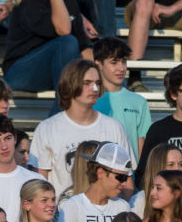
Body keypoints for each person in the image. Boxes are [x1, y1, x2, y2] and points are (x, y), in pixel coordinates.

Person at [34, 60, 132, 197]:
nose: (95, 89)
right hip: (62, 215)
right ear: (71, 84)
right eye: (87, 83)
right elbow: (39, 182)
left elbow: (127, 181)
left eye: (97, 83)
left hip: (107, 215)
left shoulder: (115, 128)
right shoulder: (47, 128)